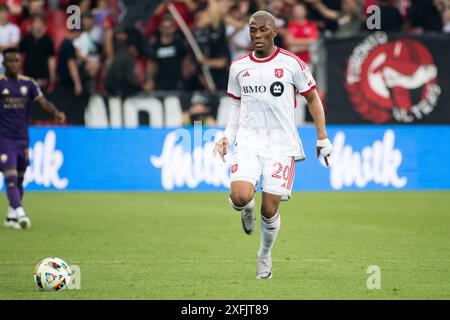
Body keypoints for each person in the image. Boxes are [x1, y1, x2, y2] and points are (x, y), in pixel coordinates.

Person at [213, 11, 333, 279]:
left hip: (281, 145)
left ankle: (264, 254)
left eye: (262, 29)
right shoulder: (239, 67)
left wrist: (322, 137)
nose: (257, 34)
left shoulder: (293, 64)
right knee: (240, 196)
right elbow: (235, 104)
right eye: (252, 29)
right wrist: (226, 137)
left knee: (269, 209)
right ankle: (246, 209)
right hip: (248, 142)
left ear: (274, 31)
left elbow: (313, 98)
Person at [0, 47, 66, 229]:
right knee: (10, 177)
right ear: (4, 64)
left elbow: (42, 101)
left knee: (20, 178)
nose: (14, 64)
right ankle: (20, 212)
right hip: (3, 139)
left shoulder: (28, 84)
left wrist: (56, 112)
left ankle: (11, 216)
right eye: (10, 61)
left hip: (22, 138)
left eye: (16, 61)